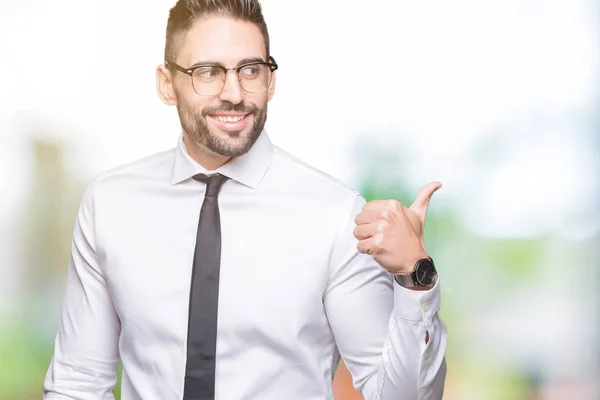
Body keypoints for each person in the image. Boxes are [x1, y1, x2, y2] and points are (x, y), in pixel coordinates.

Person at [43, 0, 447, 399]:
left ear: (271, 81)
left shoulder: (336, 215)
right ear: (167, 84)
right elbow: (77, 383)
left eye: (250, 70)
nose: (234, 93)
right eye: (208, 72)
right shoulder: (110, 204)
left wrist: (415, 277)